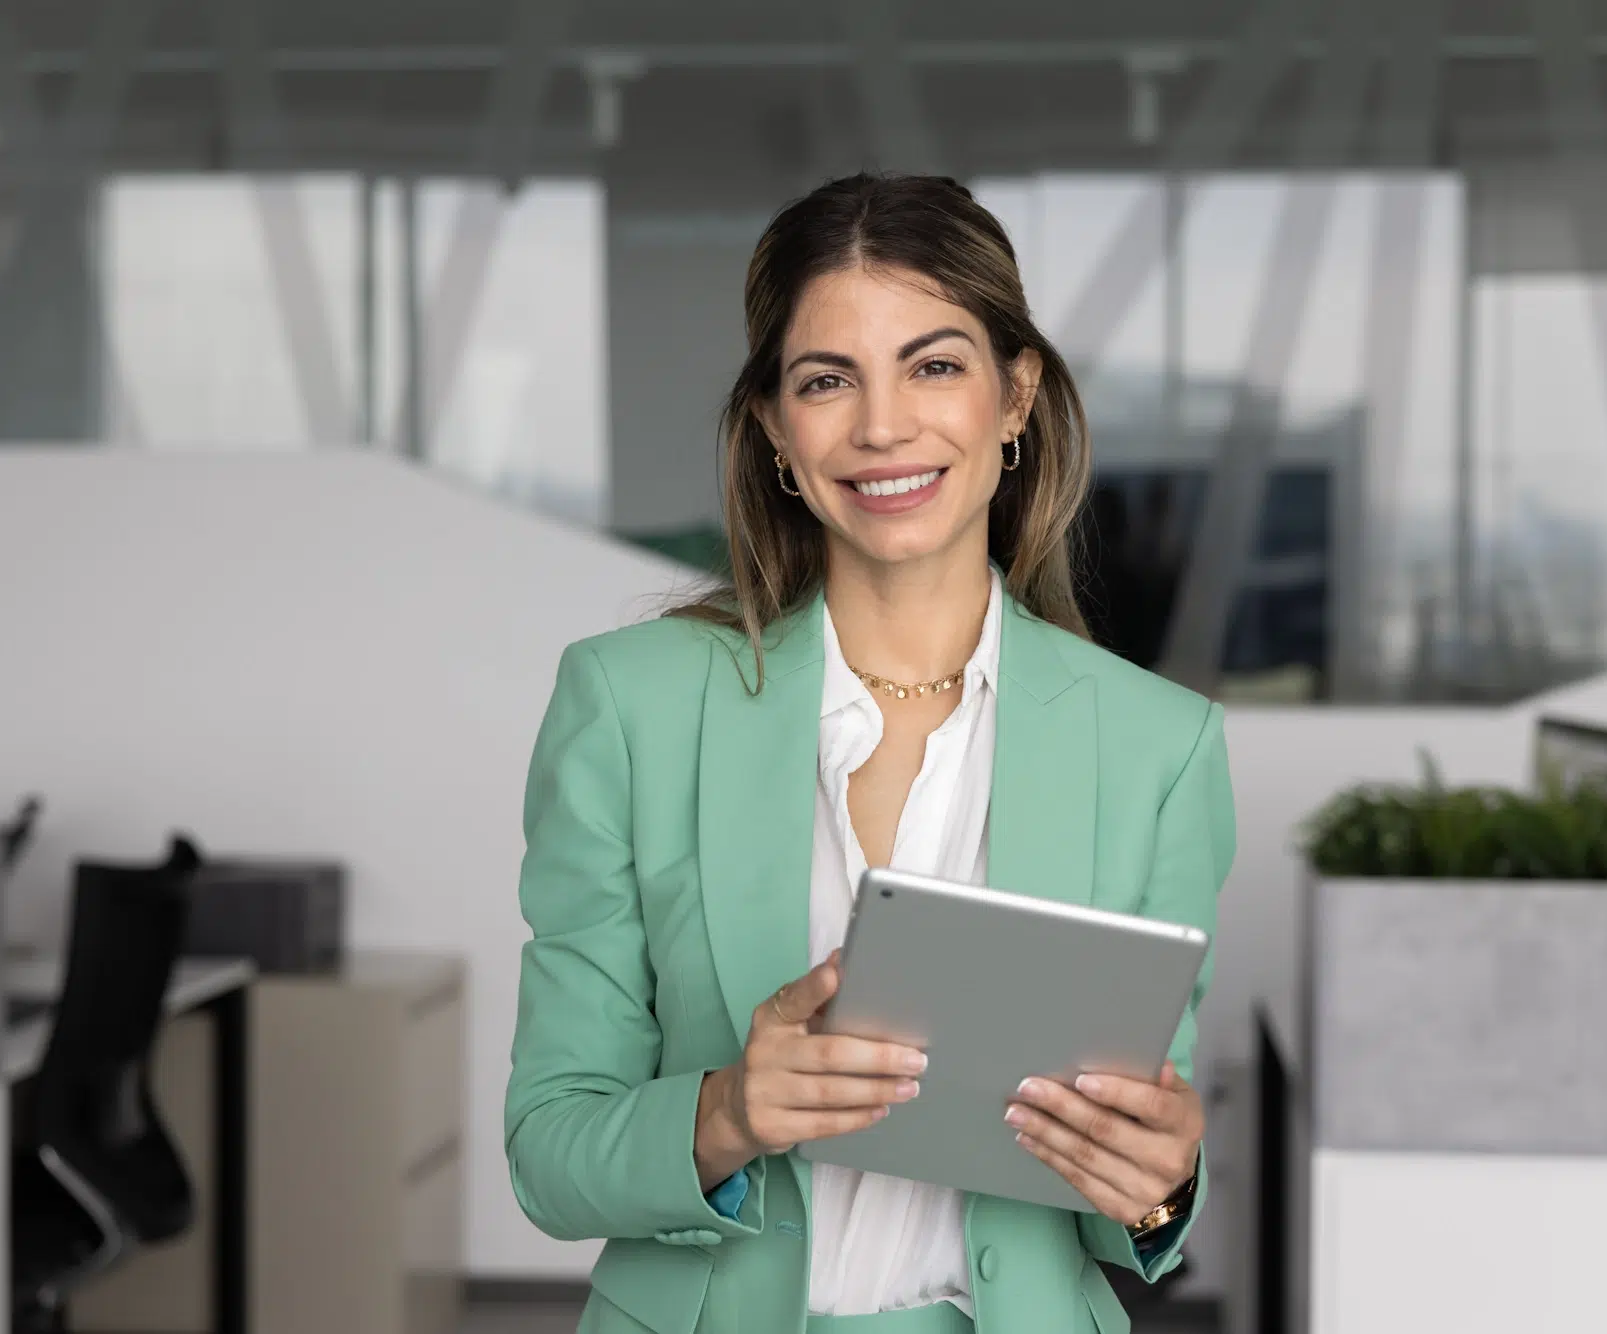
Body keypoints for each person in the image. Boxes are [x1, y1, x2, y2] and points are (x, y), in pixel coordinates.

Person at [505, 173, 1236, 1334]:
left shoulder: (1158, 747)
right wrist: (730, 1110)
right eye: (825, 379)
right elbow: (548, 1150)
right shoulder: (627, 706)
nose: (882, 424)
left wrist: (1156, 1185)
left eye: (934, 363)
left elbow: (1121, 1197)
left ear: (1015, 397)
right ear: (775, 431)